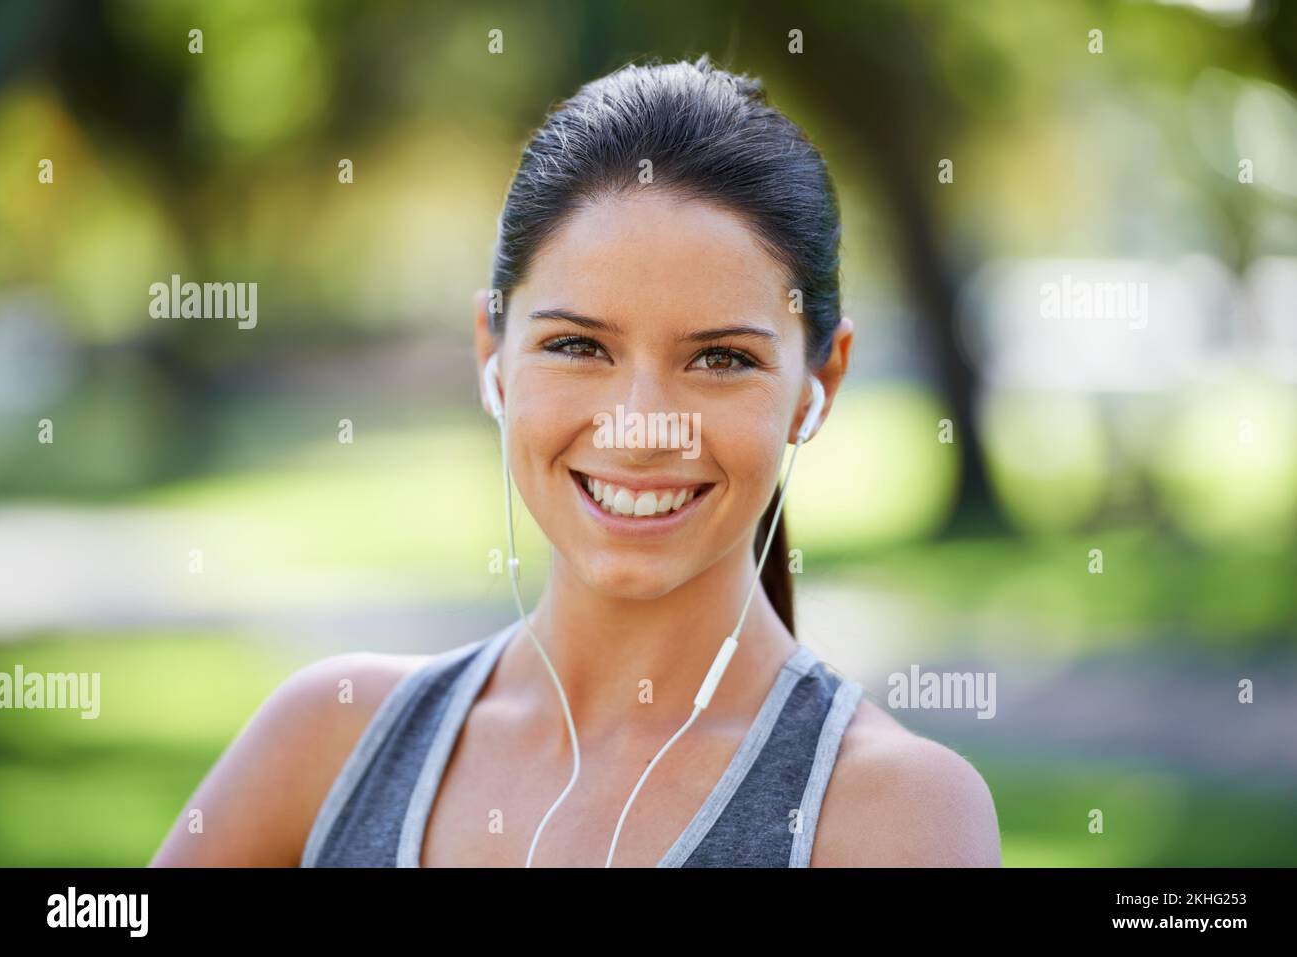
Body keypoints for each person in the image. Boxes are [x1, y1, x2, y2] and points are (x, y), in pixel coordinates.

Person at [150, 54, 1000, 868]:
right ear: (493, 349)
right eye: (576, 344)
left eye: (722, 359)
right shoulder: (327, 738)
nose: (640, 429)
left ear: (822, 380)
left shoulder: (892, 811)